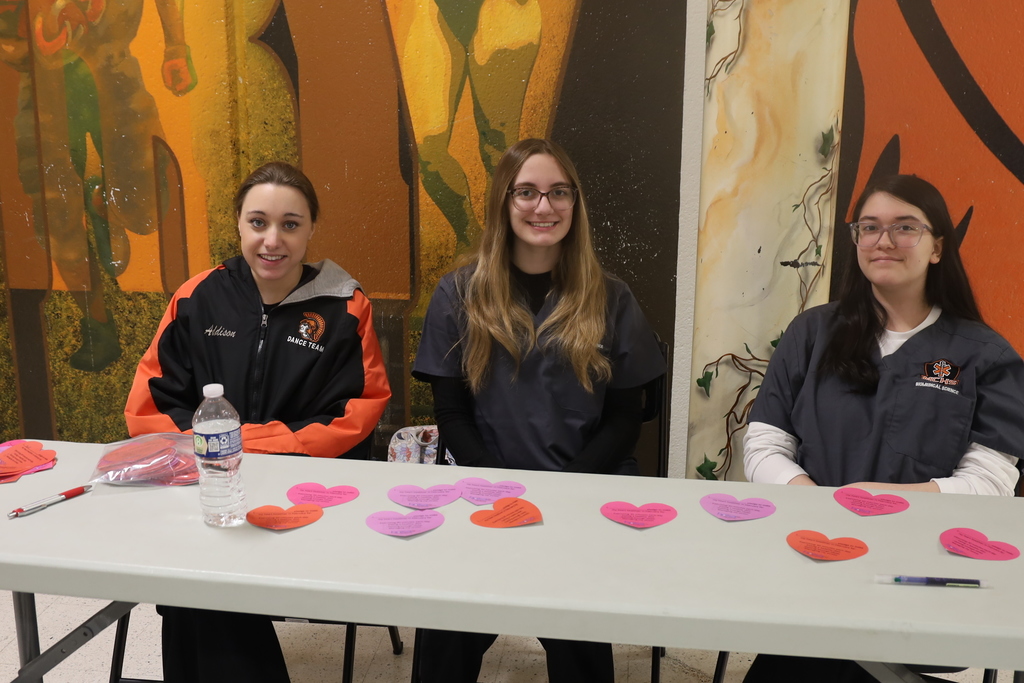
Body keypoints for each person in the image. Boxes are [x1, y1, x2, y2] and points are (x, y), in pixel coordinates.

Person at [742, 174, 1024, 682]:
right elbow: (764, 444)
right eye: (869, 227)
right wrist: (815, 500)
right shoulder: (812, 333)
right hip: (813, 555)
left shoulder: (985, 355)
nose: (884, 241)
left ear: (937, 247)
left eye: (905, 227)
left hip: (923, 571)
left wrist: (889, 500)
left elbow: (992, 480)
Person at [125, 161, 391, 682]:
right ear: (238, 226)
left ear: (312, 228)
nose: (273, 240)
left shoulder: (346, 308)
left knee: (193, 589)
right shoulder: (197, 297)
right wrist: (215, 459)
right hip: (205, 489)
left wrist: (251, 445)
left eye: (290, 224)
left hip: (301, 496)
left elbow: (355, 412)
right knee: (193, 577)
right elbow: (150, 406)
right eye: (258, 222)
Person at [412, 138, 666, 682]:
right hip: (482, 495)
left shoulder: (610, 298)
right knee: (445, 639)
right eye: (525, 192)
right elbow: (452, 417)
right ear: (504, 203)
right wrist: (504, 495)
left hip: (581, 496)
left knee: (580, 649)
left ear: (575, 205)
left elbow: (626, 419)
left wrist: (562, 492)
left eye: (558, 193)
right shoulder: (459, 294)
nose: (543, 207)